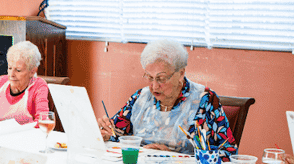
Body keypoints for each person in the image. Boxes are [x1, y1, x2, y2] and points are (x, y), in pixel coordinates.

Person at [98, 39, 237, 157]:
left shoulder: (204, 100)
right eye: (149, 77)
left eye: (161, 78)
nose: (154, 86)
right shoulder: (140, 98)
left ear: (181, 74)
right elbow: (117, 134)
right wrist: (106, 133)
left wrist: (171, 155)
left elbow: (228, 152)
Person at [0, 41, 49, 124]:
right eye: (10, 68)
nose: (11, 75)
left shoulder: (38, 86)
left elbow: (42, 119)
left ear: (32, 71)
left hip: (23, 136)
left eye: (18, 70)